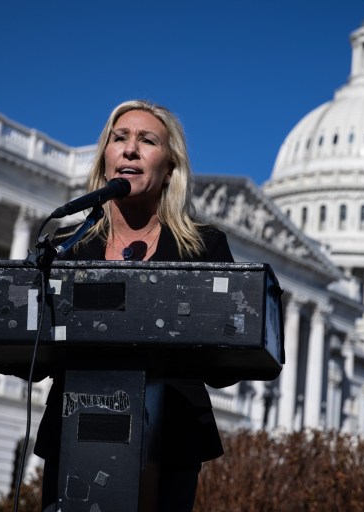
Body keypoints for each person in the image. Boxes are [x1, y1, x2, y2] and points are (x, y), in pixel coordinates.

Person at [35, 100, 236, 511]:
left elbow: (227, 356)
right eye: (119, 138)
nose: (130, 149)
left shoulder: (203, 248)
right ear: (106, 158)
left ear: (169, 170)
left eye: (147, 141)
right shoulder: (66, 248)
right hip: (75, 435)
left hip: (170, 439)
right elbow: (32, 348)